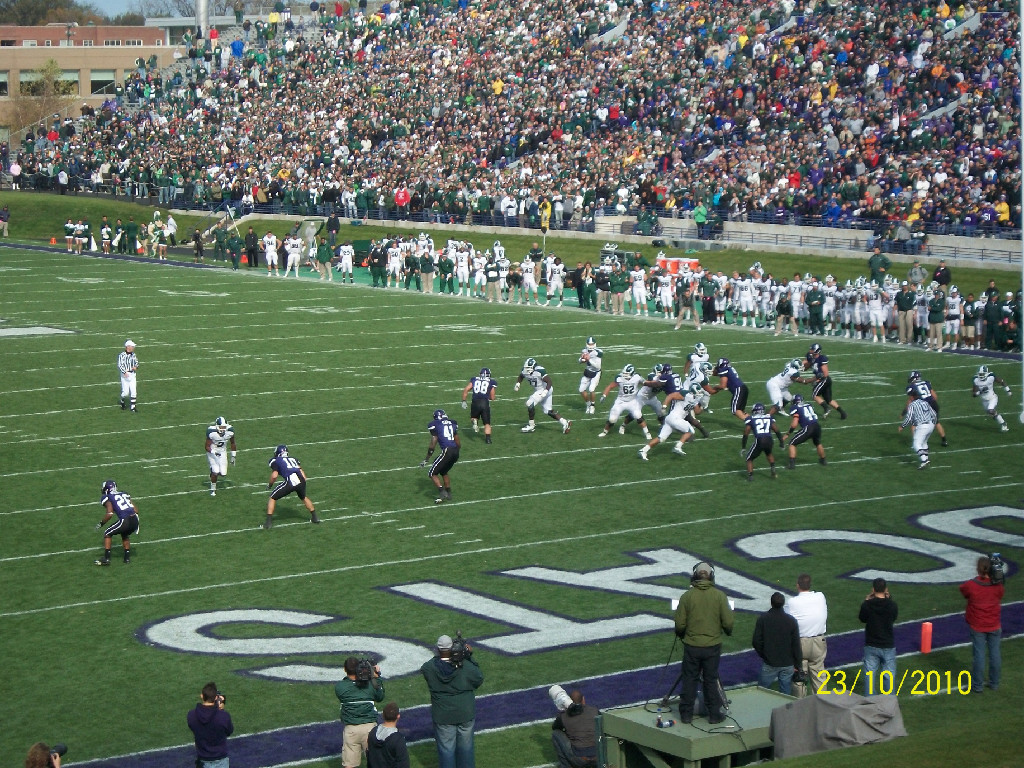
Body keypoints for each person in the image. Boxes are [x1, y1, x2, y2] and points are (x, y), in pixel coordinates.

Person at [673, 562, 733, 724]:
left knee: (689, 679)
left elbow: (680, 625)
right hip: (712, 646)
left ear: (694, 576)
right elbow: (728, 623)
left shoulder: (687, 596)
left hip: (692, 645)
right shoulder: (720, 596)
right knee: (710, 680)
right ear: (711, 576)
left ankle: (686, 714)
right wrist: (726, 631)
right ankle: (714, 714)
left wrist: (682, 634)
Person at [421, 634, 484, 768]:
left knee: (446, 750)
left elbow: (428, 666)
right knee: (466, 749)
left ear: (438, 649)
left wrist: (443, 657)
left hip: (443, 715)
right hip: (465, 712)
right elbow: (479, 678)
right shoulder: (465, 665)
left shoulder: (430, 667)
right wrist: (468, 656)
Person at [959, 556, 1004, 692]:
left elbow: (963, 590)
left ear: (978, 568)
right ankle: (994, 683)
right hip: (994, 624)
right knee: (995, 653)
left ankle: (977, 686)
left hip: (978, 625)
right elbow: (1000, 594)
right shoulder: (997, 586)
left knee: (979, 655)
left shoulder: (972, 585)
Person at [335, 657, 386, 768]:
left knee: (349, 765)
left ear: (345, 669)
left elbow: (349, 685)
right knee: (375, 763)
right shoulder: (370, 685)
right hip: (370, 728)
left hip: (351, 730)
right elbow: (380, 696)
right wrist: (376, 677)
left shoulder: (340, 687)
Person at [784, 574, 828, 697]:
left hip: (800, 643)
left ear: (797, 585)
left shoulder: (792, 602)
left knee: (799, 676)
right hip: (819, 641)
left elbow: (788, 620)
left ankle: (800, 706)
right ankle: (822, 705)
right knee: (819, 675)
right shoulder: (820, 596)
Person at [752, 592, 801, 695]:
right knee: (785, 693)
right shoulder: (791, 621)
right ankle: (784, 711)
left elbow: (756, 641)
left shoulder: (763, 619)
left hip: (770, 662)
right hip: (787, 663)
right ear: (783, 604)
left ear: (771, 603)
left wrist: (764, 654)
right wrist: (798, 664)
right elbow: (796, 645)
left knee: (762, 692)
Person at [264, 444, 319, 528]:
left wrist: (270, 485)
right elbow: (303, 474)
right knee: (303, 497)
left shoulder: (275, 460)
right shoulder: (293, 459)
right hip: (301, 480)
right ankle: (315, 518)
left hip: (291, 481)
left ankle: (268, 523)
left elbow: (274, 475)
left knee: (272, 497)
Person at [859, 578, 898, 695]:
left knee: (869, 675)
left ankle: (870, 702)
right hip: (887, 644)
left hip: (871, 644)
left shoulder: (867, 605)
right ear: (886, 589)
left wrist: (866, 600)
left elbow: (862, 618)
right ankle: (889, 703)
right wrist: (888, 598)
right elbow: (893, 617)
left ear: (873, 589)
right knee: (889, 675)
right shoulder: (892, 605)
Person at [514, 357, 571, 434]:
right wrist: (518, 383)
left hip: (544, 389)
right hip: (541, 390)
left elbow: (549, 381)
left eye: (529, 368)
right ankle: (565, 422)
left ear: (534, 367)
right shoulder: (524, 371)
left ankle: (531, 426)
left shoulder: (539, 371)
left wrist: (545, 391)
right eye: (526, 368)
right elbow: (521, 376)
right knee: (547, 411)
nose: (527, 369)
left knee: (530, 404)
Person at [598, 364, 651, 440]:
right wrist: (604, 395)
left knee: (638, 415)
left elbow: (646, 383)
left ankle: (647, 432)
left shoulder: (637, 377)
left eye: (627, 373)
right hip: (621, 401)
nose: (624, 375)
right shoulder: (619, 378)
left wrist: (655, 383)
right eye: (624, 373)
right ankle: (605, 431)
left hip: (632, 401)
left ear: (632, 373)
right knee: (612, 419)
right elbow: (610, 386)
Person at [187, 682, 233, 768]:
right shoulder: (223, 716)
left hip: (203, 760)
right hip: (221, 759)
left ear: (202, 696)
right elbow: (229, 731)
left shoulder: (191, 715)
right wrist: (220, 710)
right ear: (216, 698)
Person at [419, 409, 461, 504]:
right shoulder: (453, 423)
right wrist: (457, 452)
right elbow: (457, 439)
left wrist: (426, 458)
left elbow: (433, 442)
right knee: (443, 471)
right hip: (455, 451)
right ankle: (449, 493)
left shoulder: (434, 424)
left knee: (432, 473)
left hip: (447, 450)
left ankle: (442, 492)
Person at [94, 479, 139, 565]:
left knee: (107, 533)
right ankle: (127, 559)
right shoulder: (124, 494)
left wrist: (101, 523)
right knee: (125, 534)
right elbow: (136, 510)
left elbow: (110, 513)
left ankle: (106, 559)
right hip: (135, 520)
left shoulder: (107, 497)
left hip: (125, 520)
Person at [550, 689, 599, 768]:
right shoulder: (594, 711)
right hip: (599, 757)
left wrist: (563, 712)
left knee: (556, 734)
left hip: (580, 760)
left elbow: (555, 728)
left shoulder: (563, 716)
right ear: (583, 699)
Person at [801, 344, 847, 419]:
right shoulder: (811, 357)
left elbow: (825, 374)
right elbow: (806, 366)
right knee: (829, 400)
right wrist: (800, 367)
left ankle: (826, 408)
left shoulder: (822, 358)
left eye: (812, 349)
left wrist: (817, 380)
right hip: (823, 380)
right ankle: (842, 413)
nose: (810, 351)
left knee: (814, 395)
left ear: (816, 351)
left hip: (824, 379)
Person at [741, 402, 783, 480]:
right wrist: (781, 442)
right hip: (770, 440)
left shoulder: (751, 419)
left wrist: (743, 447)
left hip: (760, 440)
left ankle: (750, 476)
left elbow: (746, 433)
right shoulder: (769, 417)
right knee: (769, 453)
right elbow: (776, 430)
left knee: (749, 458)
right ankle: (773, 470)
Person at [905, 370, 947, 447]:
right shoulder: (926, 383)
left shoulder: (912, 387)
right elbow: (935, 396)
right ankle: (944, 440)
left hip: (924, 407)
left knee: (914, 423)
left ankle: (916, 441)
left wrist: (905, 411)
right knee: (936, 422)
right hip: (933, 404)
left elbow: (910, 399)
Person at [785, 394, 826, 469]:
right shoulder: (809, 405)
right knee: (817, 443)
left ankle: (792, 465)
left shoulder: (795, 407)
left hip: (808, 427)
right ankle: (823, 460)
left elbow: (794, 424)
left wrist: (788, 433)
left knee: (792, 443)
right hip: (817, 426)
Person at [367, 702, 410, 768]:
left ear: (383, 715)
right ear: (398, 716)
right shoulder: (398, 739)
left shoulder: (373, 732)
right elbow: (403, 764)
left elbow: (369, 757)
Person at [461, 367, 497, 444]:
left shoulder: (474, 379)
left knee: (473, 417)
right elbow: (492, 397)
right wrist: (489, 397)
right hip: (484, 403)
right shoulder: (491, 381)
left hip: (475, 402)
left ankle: (475, 422)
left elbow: (466, 389)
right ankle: (488, 439)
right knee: (487, 423)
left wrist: (464, 401)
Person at [972, 365, 1012, 432]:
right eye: (980, 374)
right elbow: (974, 394)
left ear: (986, 373)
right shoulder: (976, 380)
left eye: (982, 374)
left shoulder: (991, 377)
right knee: (992, 414)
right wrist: (980, 392)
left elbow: (1001, 381)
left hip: (992, 398)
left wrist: (1008, 390)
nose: (981, 376)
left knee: (991, 410)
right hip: (984, 400)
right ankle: (1001, 421)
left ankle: (1004, 424)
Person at [205, 416, 237, 496]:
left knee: (223, 474)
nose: (222, 429)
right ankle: (213, 489)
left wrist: (233, 456)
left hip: (222, 452)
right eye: (221, 427)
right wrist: (214, 452)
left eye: (224, 427)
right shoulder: (211, 432)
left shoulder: (230, 431)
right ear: (216, 426)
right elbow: (207, 447)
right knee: (215, 472)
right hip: (212, 451)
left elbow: (232, 443)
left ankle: (212, 473)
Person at [577, 336, 603, 414]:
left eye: (592, 344)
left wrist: (589, 360)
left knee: (591, 389)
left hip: (596, 372)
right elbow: (579, 361)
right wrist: (582, 359)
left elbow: (598, 366)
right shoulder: (585, 350)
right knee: (581, 390)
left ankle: (592, 405)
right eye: (589, 344)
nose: (591, 346)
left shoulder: (598, 352)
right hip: (588, 371)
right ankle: (588, 404)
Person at [118, 339, 139, 412]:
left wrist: (136, 366)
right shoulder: (122, 355)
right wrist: (124, 372)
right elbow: (120, 365)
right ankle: (122, 401)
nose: (133, 348)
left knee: (133, 391)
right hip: (125, 375)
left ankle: (133, 407)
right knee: (125, 392)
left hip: (132, 374)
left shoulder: (133, 354)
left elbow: (136, 362)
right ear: (128, 347)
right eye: (132, 346)